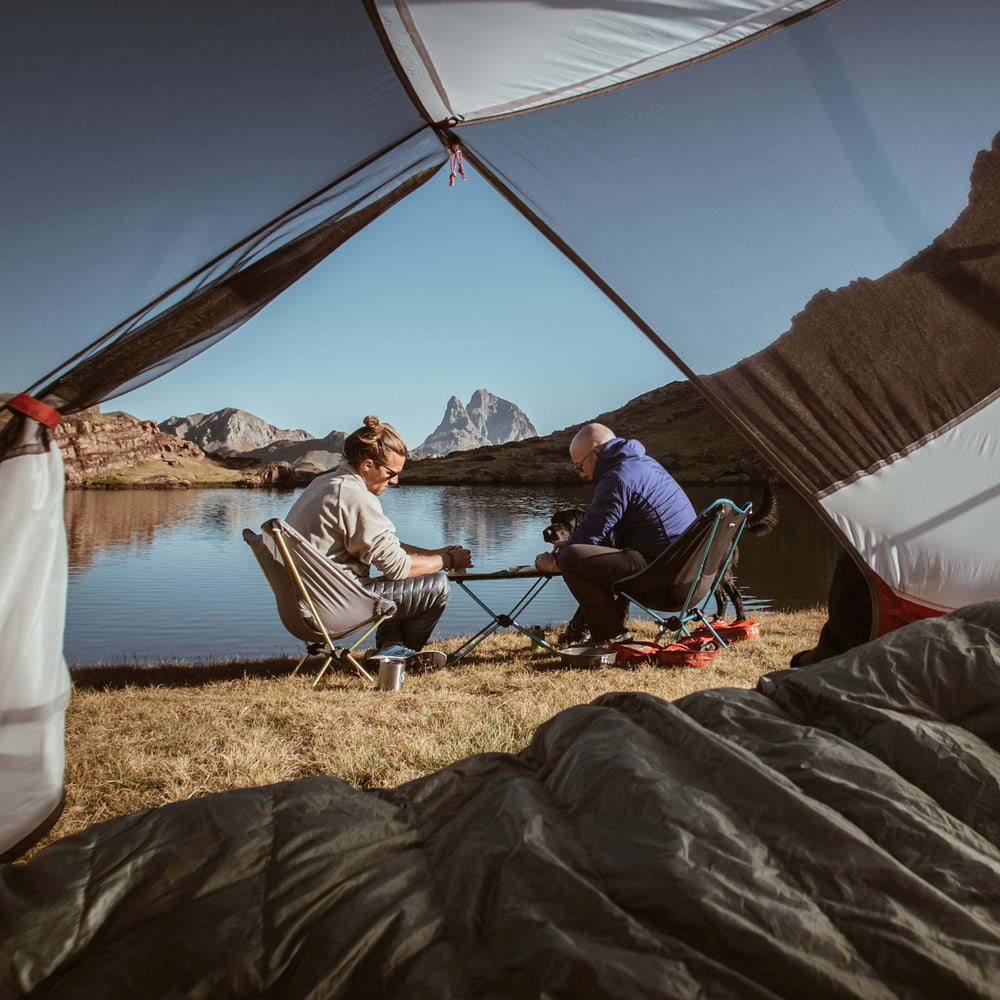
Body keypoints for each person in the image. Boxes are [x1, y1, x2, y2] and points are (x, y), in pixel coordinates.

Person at [285, 415, 472, 667]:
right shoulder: (354, 496)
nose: (395, 481)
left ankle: (389, 648)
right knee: (438, 586)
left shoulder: (326, 483)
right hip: (334, 606)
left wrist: (432, 554)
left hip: (309, 604)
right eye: (390, 473)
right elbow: (398, 568)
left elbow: (385, 545)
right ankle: (402, 657)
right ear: (367, 465)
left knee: (404, 583)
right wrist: (447, 560)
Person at [535, 423, 696, 644]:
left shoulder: (617, 477)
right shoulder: (645, 464)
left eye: (580, 467)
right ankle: (594, 628)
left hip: (667, 582)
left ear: (596, 452)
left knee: (571, 557)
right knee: (602, 555)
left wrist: (553, 562)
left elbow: (589, 535)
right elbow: (596, 531)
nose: (582, 475)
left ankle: (612, 636)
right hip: (693, 577)